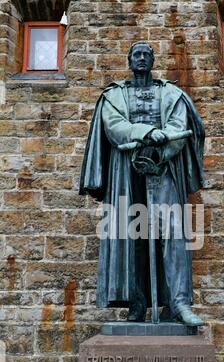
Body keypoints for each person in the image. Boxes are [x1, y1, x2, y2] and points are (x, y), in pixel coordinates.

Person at [79, 41, 205, 326]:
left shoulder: (171, 93)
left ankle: (178, 304)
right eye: (136, 54)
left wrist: (161, 148)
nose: (141, 58)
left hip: (163, 167)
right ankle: (136, 305)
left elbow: (178, 126)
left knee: (173, 232)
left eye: (146, 55)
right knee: (130, 235)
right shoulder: (115, 95)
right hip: (126, 171)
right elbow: (115, 126)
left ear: (151, 60)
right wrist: (148, 132)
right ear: (129, 60)